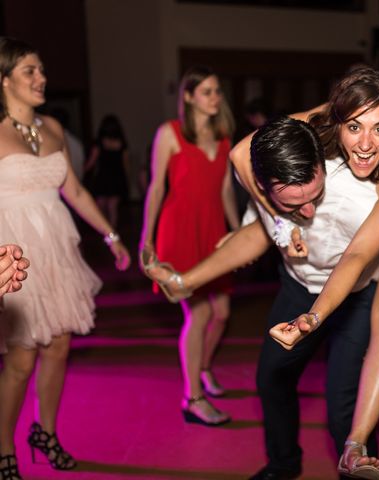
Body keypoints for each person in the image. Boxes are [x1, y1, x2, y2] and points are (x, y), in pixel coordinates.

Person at [148, 65, 379, 480]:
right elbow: (246, 156)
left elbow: (357, 258)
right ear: (337, 124)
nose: (365, 143)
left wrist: (313, 319)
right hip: (299, 285)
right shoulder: (307, 150)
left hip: (356, 296)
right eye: (355, 126)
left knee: (342, 407)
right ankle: (283, 464)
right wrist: (275, 224)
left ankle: (354, 457)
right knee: (271, 379)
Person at [0, 37, 130, 480]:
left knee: (58, 347)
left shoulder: (53, 127)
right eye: (30, 72)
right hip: (13, 251)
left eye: (41, 70)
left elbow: (73, 190)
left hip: (56, 247)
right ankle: (3, 448)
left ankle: (46, 433)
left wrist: (111, 234)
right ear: (4, 81)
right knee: (21, 358)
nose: (42, 79)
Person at [139, 65, 240, 427]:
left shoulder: (225, 137)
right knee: (198, 314)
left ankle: (203, 367)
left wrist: (236, 233)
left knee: (223, 313)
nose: (215, 97)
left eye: (217, 91)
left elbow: (227, 190)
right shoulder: (170, 134)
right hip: (179, 231)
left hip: (212, 234)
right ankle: (192, 397)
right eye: (207, 91)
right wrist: (146, 238)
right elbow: (156, 188)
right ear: (188, 96)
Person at [84, 114, 130, 229]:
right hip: (116, 177)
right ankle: (112, 234)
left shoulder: (99, 143)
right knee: (112, 208)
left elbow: (91, 162)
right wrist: (127, 179)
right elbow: (126, 164)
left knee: (101, 207)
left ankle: (105, 232)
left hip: (103, 177)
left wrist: (80, 171)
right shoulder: (121, 143)